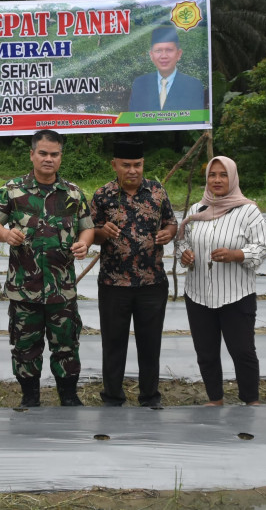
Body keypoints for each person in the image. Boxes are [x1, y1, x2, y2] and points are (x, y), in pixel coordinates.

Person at [0, 129, 95, 407]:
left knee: (66, 346)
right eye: (43, 153)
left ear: (61, 157)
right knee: (25, 347)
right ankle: (30, 397)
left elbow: (87, 229)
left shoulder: (73, 193)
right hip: (24, 288)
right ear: (32, 154)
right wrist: (5, 235)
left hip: (62, 288)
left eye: (54, 154)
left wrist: (84, 244)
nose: (48, 159)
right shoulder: (12, 190)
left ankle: (68, 396)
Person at [89, 139, 177, 407]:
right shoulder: (102, 195)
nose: (132, 170)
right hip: (114, 284)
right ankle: (113, 397)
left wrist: (168, 233)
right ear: (114, 165)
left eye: (137, 165)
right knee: (113, 345)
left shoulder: (157, 191)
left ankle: (150, 397)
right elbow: (87, 232)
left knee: (150, 346)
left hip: (152, 284)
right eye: (126, 165)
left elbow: (171, 222)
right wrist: (100, 233)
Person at [176, 156, 266, 406]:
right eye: (212, 175)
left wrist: (236, 255)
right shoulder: (197, 210)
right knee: (206, 352)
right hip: (198, 293)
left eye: (223, 174)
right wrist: (184, 254)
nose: (217, 180)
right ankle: (215, 398)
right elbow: (181, 241)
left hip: (236, 294)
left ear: (233, 177)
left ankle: (251, 400)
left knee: (242, 351)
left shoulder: (248, 211)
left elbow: (261, 248)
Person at [127, 26, 207, 112]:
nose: (164, 56)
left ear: (179, 54)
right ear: (151, 55)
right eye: (158, 51)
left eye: (169, 50)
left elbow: (196, 121)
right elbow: (134, 120)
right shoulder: (140, 84)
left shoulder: (193, 86)